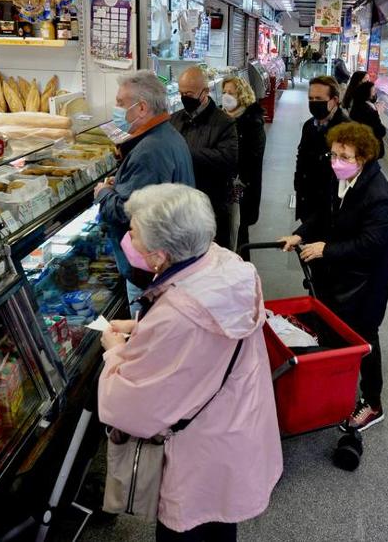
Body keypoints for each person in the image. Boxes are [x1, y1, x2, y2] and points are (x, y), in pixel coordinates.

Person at [98, 184, 282, 541]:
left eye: (133, 234)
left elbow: (129, 406)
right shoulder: (222, 263)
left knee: (188, 530)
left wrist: (113, 350)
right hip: (233, 432)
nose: (128, 240)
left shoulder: (178, 316)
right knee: (219, 524)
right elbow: (204, 338)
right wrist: (143, 328)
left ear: (159, 257)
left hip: (198, 451)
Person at [279, 122, 388, 431]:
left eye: (344, 156)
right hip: (339, 277)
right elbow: (322, 214)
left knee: (365, 338)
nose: (336, 161)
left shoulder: (378, 196)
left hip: (366, 283)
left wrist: (325, 249)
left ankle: (373, 401)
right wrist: (300, 235)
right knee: (332, 329)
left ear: (364, 157)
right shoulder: (339, 179)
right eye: (333, 154)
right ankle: (335, 389)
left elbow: (371, 244)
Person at [95, 71, 195, 314]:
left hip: (150, 269)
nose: (116, 109)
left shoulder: (150, 150)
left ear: (141, 108)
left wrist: (104, 193)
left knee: (148, 337)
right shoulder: (166, 136)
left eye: (120, 103)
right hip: (168, 259)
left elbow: (127, 211)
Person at [171, 67, 240, 248]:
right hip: (179, 207)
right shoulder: (174, 120)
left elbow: (228, 159)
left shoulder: (224, 123)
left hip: (211, 207)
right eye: (181, 93)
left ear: (206, 92)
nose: (185, 97)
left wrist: (185, 152)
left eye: (189, 93)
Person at [293, 75, 349, 221]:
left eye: (319, 99)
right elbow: (302, 157)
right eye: (311, 99)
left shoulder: (346, 130)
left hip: (330, 209)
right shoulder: (309, 126)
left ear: (334, 101)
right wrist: (299, 185)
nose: (313, 103)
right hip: (307, 203)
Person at [221, 76, 266, 255]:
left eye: (231, 93)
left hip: (241, 189)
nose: (226, 96)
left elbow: (252, 161)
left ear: (242, 96)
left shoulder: (252, 122)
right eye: (224, 92)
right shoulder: (223, 118)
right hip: (225, 186)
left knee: (239, 231)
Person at [346, 80, 386, 159]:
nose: (375, 94)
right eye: (373, 91)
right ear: (367, 93)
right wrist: (377, 113)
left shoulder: (356, 106)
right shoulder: (369, 111)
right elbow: (380, 131)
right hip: (370, 148)